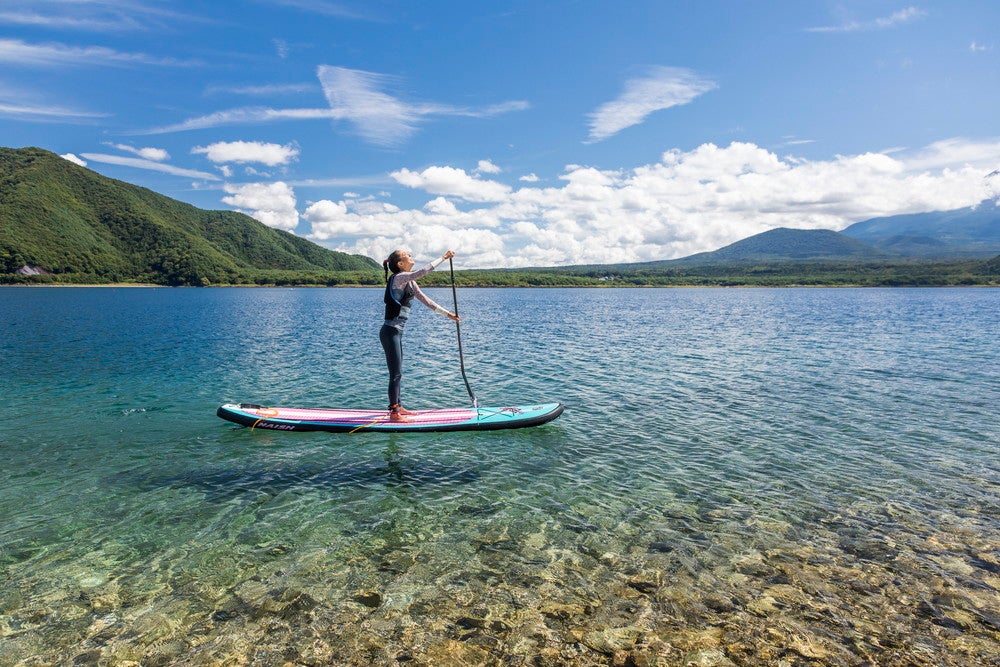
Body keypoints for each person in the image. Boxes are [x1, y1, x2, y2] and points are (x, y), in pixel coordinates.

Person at [380, 249, 460, 421]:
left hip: (397, 332)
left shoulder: (410, 283)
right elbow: (422, 272)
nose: (411, 256)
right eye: (408, 255)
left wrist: (449, 315)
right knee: (395, 373)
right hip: (390, 332)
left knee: (398, 372)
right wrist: (443, 258)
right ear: (400, 264)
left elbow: (427, 301)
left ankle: (399, 406)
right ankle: (394, 413)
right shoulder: (399, 277)